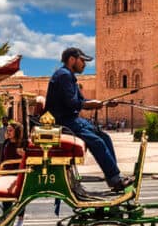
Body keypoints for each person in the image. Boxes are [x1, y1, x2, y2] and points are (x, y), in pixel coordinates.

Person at [45, 47, 131, 191]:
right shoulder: (63, 76)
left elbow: (82, 100)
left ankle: (114, 178)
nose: (84, 64)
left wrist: (103, 103)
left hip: (72, 120)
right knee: (97, 142)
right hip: (63, 122)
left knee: (104, 137)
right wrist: (91, 104)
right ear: (72, 59)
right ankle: (115, 179)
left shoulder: (69, 76)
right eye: (82, 60)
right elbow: (72, 103)